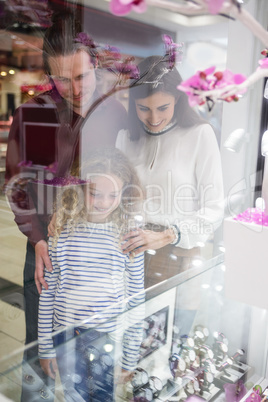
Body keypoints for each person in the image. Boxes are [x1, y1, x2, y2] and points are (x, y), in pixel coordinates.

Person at [4, 11, 127, 401]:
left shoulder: (114, 114)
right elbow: (18, 187)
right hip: (47, 252)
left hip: (101, 252)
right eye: (61, 78)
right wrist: (38, 239)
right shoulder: (32, 115)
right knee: (41, 353)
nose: (72, 88)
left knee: (95, 353)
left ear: (96, 64)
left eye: (81, 76)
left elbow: (127, 182)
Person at [38, 148, 144, 401]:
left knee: (102, 397)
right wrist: (44, 348)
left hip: (107, 338)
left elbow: (136, 298)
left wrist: (130, 356)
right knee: (71, 395)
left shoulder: (128, 235)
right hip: (65, 335)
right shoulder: (61, 231)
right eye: (95, 193)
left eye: (113, 195)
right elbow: (48, 293)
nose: (103, 203)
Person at [116, 55, 224, 289]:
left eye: (162, 108)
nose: (153, 118)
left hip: (179, 255)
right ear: (133, 103)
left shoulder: (200, 134)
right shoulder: (125, 137)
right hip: (128, 255)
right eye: (143, 108)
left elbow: (215, 208)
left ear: (177, 98)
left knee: (171, 324)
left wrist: (168, 235)